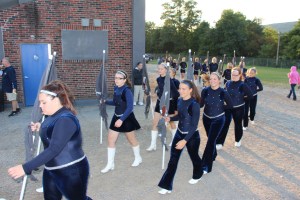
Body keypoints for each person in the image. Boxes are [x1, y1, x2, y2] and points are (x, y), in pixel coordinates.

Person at [8, 80, 91, 200]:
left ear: (56, 100)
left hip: (71, 170)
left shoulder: (66, 119)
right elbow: (54, 129)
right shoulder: (52, 115)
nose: (40, 105)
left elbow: (54, 149)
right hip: (51, 169)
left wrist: (25, 167)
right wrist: (40, 127)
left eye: (43, 102)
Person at [158, 80, 203, 194]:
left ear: (190, 90)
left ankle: (198, 174)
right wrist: (170, 118)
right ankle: (166, 185)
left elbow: (193, 125)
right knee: (173, 160)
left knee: (194, 157)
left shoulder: (195, 105)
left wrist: (185, 140)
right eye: (180, 88)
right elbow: (180, 116)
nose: (180, 91)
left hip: (192, 136)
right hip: (179, 133)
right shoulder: (179, 100)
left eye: (184, 89)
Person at [101, 70, 142, 173]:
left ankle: (138, 158)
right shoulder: (116, 89)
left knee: (131, 140)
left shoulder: (127, 91)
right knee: (111, 140)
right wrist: (105, 102)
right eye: (115, 78)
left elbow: (130, 107)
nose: (117, 80)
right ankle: (110, 164)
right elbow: (115, 102)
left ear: (124, 80)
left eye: (119, 78)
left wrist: (121, 120)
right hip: (116, 116)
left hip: (126, 118)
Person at [200, 72, 233, 174]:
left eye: (215, 79)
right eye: (211, 79)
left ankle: (206, 166)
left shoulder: (223, 92)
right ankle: (213, 155)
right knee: (211, 140)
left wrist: (220, 107)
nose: (212, 81)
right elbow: (201, 105)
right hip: (206, 118)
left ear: (219, 80)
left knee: (210, 142)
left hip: (218, 119)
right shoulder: (205, 91)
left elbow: (230, 105)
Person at [216, 67, 253, 149]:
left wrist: (242, 98)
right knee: (224, 124)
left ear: (239, 75)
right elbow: (223, 94)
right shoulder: (227, 83)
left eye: (235, 75)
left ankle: (238, 140)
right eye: (232, 74)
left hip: (239, 108)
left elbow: (250, 95)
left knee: (238, 124)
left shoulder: (242, 84)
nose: (233, 76)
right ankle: (220, 143)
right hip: (228, 108)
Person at [146, 63, 180, 151]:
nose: (159, 70)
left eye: (161, 69)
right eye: (158, 68)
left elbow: (176, 93)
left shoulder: (169, 80)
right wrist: (157, 94)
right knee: (155, 123)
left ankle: (174, 140)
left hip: (170, 103)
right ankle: (153, 144)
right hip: (160, 103)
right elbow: (160, 90)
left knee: (171, 123)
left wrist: (172, 102)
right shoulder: (158, 79)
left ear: (166, 70)